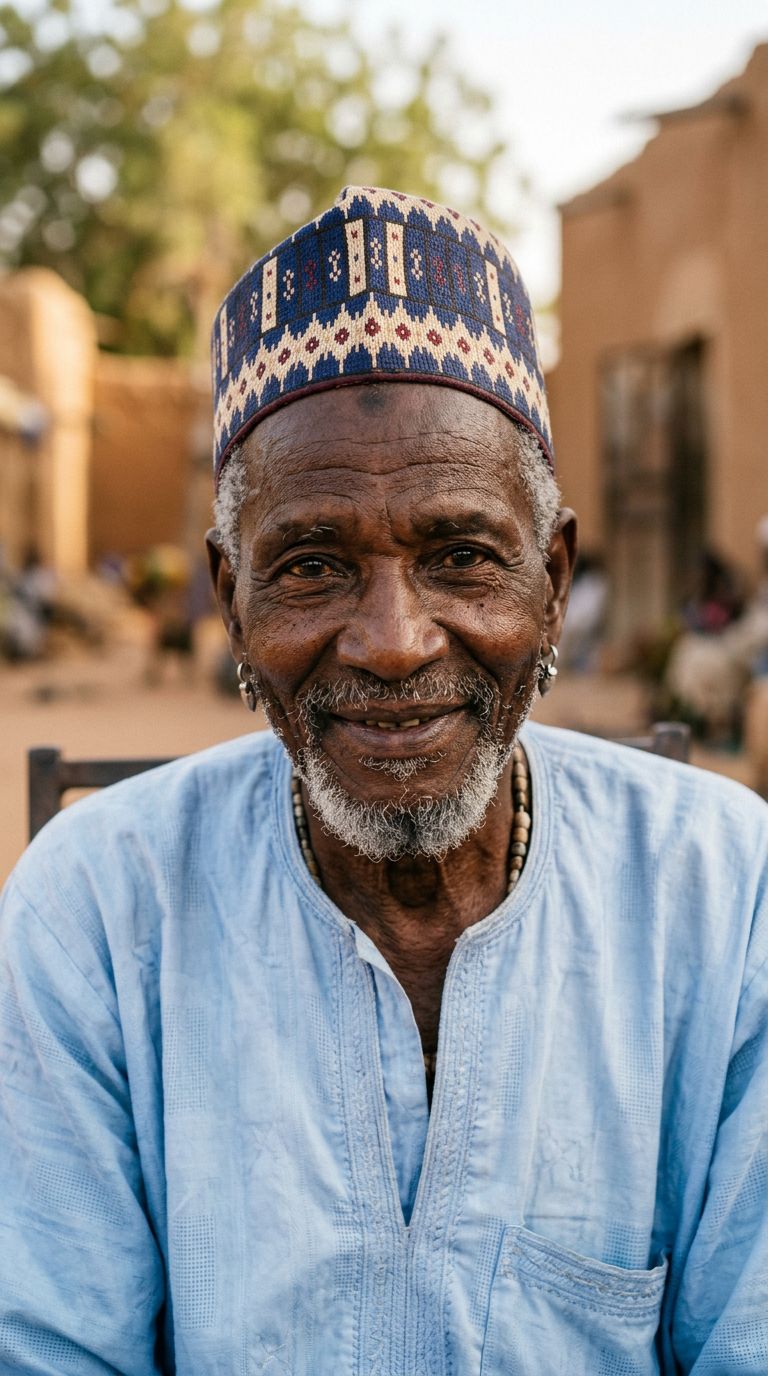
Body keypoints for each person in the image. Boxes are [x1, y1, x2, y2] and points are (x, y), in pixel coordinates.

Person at [1, 187, 767, 1374]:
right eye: (312, 565)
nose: (395, 640)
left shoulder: (726, 895)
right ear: (230, 594)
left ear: (554, 577)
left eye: (463, 555)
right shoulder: (94, 913)